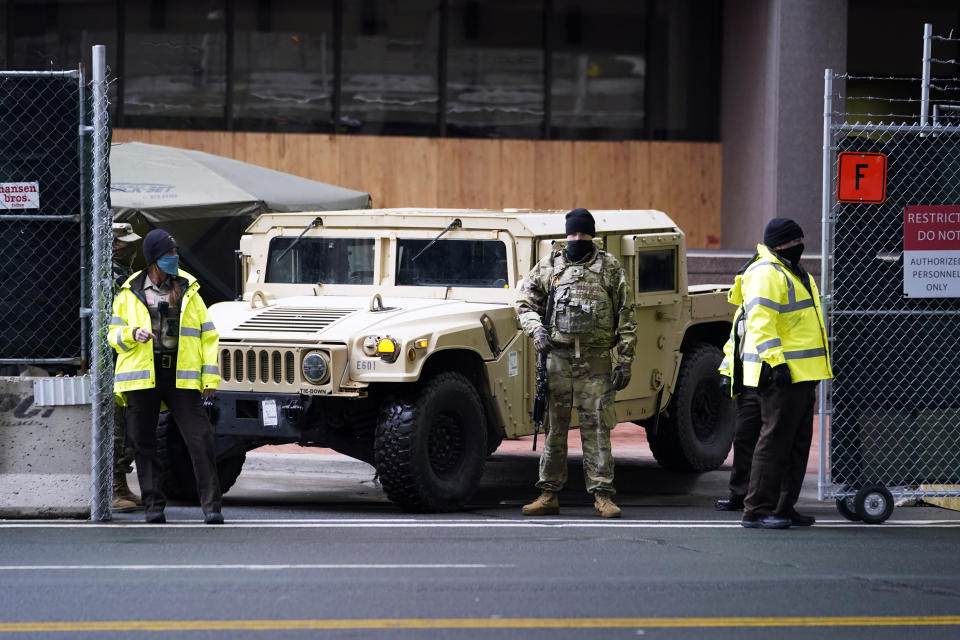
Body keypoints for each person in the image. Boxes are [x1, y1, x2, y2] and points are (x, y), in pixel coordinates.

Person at [515, 208, 637, 518]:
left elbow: (627, 314)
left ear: (592, 235)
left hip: (595, 362)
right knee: (554, 429)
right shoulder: (550, 265)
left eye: (583, 234)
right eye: (572, 233)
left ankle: (602, 495)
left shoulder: (609, 268)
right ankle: (548, 493)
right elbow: (524, 303)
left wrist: (625, 359)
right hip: (558, 359)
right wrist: (536, 328)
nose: (576, 239)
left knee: (597, 428)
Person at [108, 229, 224, 525]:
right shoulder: (129, 292)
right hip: (143, 377)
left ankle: (212, 506)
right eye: (169, 254)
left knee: (201, 439)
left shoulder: (189, 289)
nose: (175, 258)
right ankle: (153, 506)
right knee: (143, 443)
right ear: (154, 259)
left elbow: (209, 337)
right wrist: (132, 334)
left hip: (180, 377)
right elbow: (113, 336)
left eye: (175, 253)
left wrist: (209, 379)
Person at [739, 218, 832, 529]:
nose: (800, 246)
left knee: (796, 444)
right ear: (780, 244)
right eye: (795, 241)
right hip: (783, 374)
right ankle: (757, 510)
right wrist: (776, 363)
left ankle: (783, 507)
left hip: (803, 373)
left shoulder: (795, 272)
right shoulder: (767, 273)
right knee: (774, 442)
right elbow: (760, 322)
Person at [715, 253, 762, 512]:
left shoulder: (767, 305)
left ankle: (763, 497)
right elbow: (734, 346)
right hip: (747, 385)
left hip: (771, 384)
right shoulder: (744, 310)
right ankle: (739, 494)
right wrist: (726, 373)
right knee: (743, 440)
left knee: (769, 444)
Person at [111, 223, 143, 513]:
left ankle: (120, 484)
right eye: (125, 244)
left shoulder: (125, 276)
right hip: (112, 357)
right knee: (117, 428)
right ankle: (113, 486)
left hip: (127, 357)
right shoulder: (107, 277)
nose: (131, 249)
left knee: (129, 425)